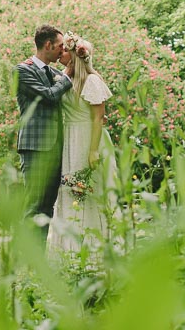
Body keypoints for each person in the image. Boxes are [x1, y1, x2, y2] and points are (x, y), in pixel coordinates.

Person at [48, 31, 117, 253]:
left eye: (65, 50)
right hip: (70, 138)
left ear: (76, 55)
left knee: (89, 190)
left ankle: (94, 247)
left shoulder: (92, 80)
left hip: (89, 137)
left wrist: (94, 150)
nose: (61, 53)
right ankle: (70, 247)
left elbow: (98, 117)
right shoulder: (63, 79)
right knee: (70, 188)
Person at [15, 24, 74, 244]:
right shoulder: (22, 70)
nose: (62, 51)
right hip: (35, 149)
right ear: (47, 45)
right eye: (59, 47)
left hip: (55, 149)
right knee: (34, 206)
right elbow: (49, 96)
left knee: (47, 207)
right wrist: (68, 77)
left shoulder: (56, 72)